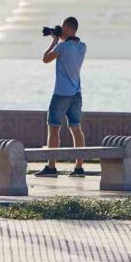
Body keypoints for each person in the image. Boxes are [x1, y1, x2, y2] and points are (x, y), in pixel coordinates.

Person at [35, 16, 87, 178]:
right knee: (76, 128)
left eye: (64, 27)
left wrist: (54, 40)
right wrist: (59, 36)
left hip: (61, 94)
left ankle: (51, 167)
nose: (62, 30)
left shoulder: (62, 47)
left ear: (69, 28)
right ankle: (79, 168)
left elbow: (45, 59)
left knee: (53, 129)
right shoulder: (82, 47)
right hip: (76, 94)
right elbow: (69, 43)